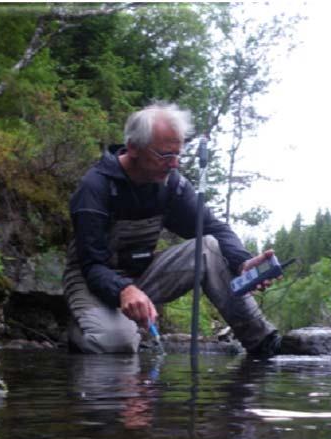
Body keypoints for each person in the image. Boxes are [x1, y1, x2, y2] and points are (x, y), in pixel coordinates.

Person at [62, 101, 282, 358]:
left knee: (207, 247)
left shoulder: (172, 185)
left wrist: (243, 262)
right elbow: (92, 264)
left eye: (179, 154)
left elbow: (212, 227)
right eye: (165, 155)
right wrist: (124, 290)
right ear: (134, 148)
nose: (175, 164)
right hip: (92, 279)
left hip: (140, 274)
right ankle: (80, 329)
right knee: (115, 345)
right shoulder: (95, 187)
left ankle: (263, 342)